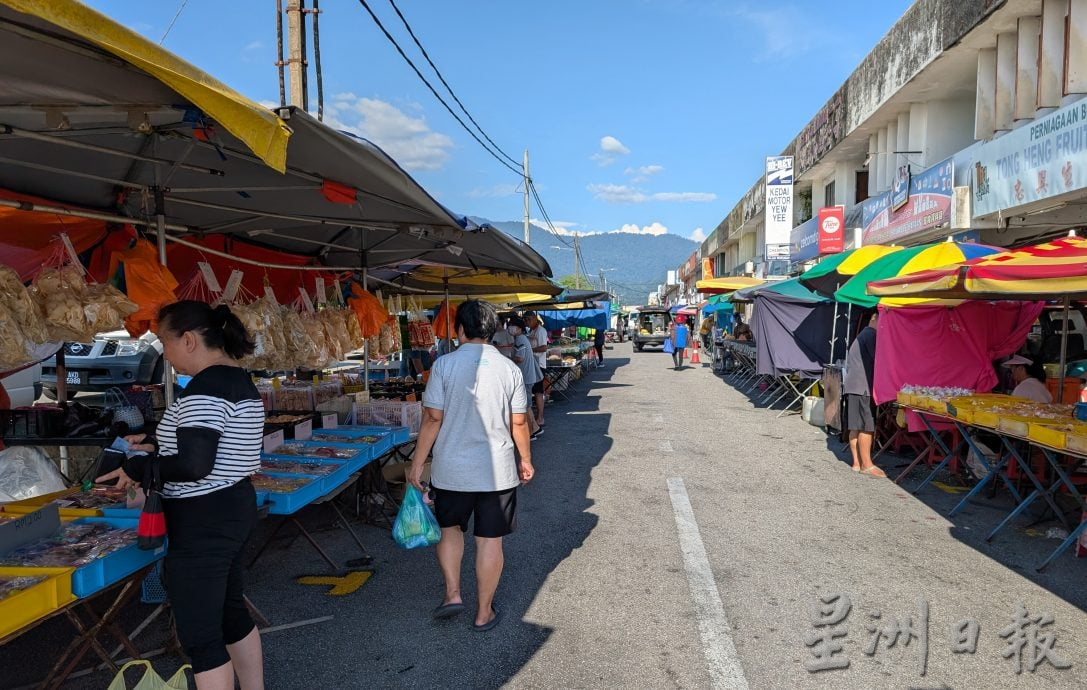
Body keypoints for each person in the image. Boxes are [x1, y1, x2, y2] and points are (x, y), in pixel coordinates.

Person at [97, 301, 265, 690]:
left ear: (188, 340)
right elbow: (207, 444)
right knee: (230, 613)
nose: (166, 355)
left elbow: (193, 465)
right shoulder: (237, 381)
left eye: (164, 343)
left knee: (202, 638)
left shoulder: (205, 389)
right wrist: (157, 439)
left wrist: (139, 467)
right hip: (233, 507)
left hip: (204, 520)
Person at [409, 300, 535, 631]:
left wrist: (417, 465)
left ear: (459, 329)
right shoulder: (509, 368)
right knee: (490, 540)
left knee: (449, 531)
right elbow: (519, 422)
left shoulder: (443, 366)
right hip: (497, 472)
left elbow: (433, 418)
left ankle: (453, 595)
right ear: (492, 330)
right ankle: (484, 612)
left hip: (451, 470)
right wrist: (525, 460)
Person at [844, 311, 885, 477]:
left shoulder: (862, 335)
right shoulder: (870, 335)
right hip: (862, 387)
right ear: (874, 318)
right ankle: (867, 465)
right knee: (866, 427)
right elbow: (880, 360)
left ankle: (856, 463)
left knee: (855, 426)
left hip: (853, 385)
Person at [506, 316, 542, 437]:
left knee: (525, 406)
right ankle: (535, 428)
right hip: (528, 376)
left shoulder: (520, 340)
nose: (509, 328)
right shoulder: (522, 339)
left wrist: (507, 359)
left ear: (519, 328)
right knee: (527, 405)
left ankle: (530, 432)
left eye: (511, 326)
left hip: (525, 377)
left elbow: (520, 358)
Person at [524, 313, 550, 427]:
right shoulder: (530, 331)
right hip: (532, 365)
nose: (527, 321)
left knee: (538, 392)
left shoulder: (541, 331)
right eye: (526, 319)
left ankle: (540, 418)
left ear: (535, 319)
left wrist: (530, 350)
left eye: (529, 319)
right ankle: (535, 417)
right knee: (534, 391)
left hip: (539, 365)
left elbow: (544, 347)